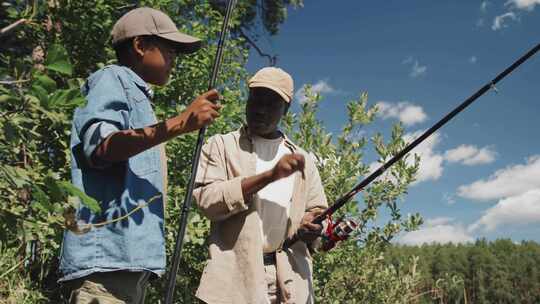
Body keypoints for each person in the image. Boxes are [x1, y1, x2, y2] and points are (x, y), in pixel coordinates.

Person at [59, 7, 222, 304]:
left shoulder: (140, 100)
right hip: (104, 269)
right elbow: (101, 145)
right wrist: (180, 123)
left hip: (128, 270)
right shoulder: (112, 79)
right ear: (140, 45)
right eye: (169, 48)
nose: (174, 59)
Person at [193, 67, 329, 304]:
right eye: (256, 99)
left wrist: (314, 226)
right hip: (233, 282)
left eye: (272, 103)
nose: (261, 109)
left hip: (291, 283)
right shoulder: (221, 146)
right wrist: (269, 176)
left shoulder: (302, 159)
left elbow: (318, 211)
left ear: (285, 110)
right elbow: (206, 201)